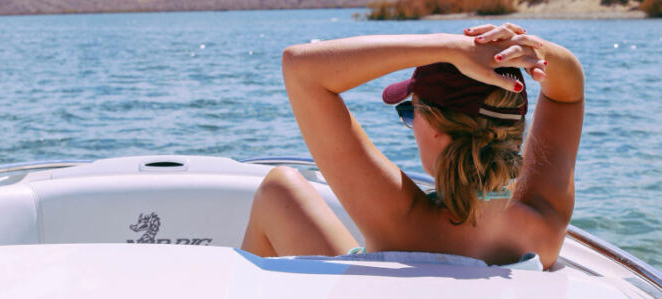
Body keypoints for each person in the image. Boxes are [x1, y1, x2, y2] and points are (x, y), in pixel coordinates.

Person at [240, 23, 584, 268]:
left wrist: (449, 46)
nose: (410, 125)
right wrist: (533, 50)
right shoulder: (544, 222)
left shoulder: (401, 219)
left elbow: (300, 67)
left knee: (278, 188)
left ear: (435, 127)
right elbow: (569, 94)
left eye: (410, 112)